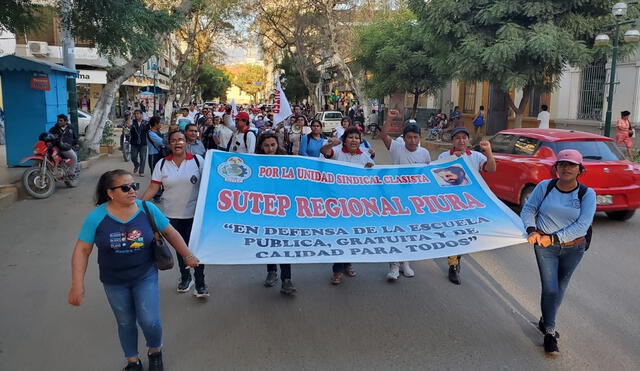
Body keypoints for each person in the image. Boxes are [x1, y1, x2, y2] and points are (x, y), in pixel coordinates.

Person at [69, 169, 200, 371]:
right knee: (125, 322)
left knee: (150, 321)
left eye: (134, 186)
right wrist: (77, 285)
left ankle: (155, 351)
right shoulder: (96, 217)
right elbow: (82, 250)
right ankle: (133, 361)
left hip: (144, 275)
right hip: (113, 280)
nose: (132, 191)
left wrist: (187, 255)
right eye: (125, 187)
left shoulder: (146, 209)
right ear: (110, 193)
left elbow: (170, 233)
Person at [520, 149, 596, 354]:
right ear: (556, 168)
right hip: (545, 247)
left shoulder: (587, 194)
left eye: (571, 165)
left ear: (580, 169)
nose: (566, 168)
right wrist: (531, 229)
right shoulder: (545, 186)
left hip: (574, 247)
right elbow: (528, 209)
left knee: (561, 287)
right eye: (562, 164)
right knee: (550, 288)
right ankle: (550, 333)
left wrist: (554, 237)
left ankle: (546, 319)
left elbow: (583, 225)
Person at [141, 130, 208, 298]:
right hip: (171, 215)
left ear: (186, 142)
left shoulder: (199, 161)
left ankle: (200, 283)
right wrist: (139, 206)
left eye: (181, 140)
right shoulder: (162, 164)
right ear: (169, 144)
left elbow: (210, 183)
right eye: (173, 140)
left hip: (195, 214)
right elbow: (153, 188)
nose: (177, 143)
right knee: (180, 249)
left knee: (195, 249)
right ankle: (185, 278)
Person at [437, 126, 496, 285]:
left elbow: (491, 169)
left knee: (464, 233)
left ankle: (456, 260)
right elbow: (434, 175)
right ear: (452, 141)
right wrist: (452, 160)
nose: (461, 141)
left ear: (468, 140)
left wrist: (489, 152)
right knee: (453, 232)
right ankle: (453, 266)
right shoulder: (444, 155)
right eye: (457, 138)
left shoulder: (476, 156)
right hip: (449, 202)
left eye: (464, 137)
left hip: (470, 202)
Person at [320, 127, 374, 284]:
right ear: (345, 139)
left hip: (355, 204)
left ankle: (348, 263)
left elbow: (371, 177)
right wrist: (331, 144)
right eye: (351, 137)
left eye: (357, 138)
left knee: (350, 236)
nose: (354, 140)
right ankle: (337, 270)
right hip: (336, 203)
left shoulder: (364, 157)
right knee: (340, 236)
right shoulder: (336, 152)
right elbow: (324, 151)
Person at [380, 123, 430, 280]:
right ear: (404, 138)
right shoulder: (397, 148)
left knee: (409, 232)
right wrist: (389, 120)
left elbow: (427, 175)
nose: (412, 140)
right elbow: (383, 136)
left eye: (416, 137)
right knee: (395, 231)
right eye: (409, 137)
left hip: (414, 201)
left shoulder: (424, 153)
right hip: (395, 199)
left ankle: (406, 263)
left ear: (419, 138)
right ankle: (394, 267)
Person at [254, 132, 297, 295]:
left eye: (273, 145)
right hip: (265, 209)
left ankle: (287, 279)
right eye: (266, 145)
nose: (270, 148)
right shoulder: (255, 162)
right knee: (269, 241)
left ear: (278, 145)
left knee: (284, 244)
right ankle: (271, 271)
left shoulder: (287, 161)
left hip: (283, 209)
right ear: (261, 147)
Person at [48, 114, 79, 178]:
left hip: (66, 148)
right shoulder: (53, 129)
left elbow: (75, 137)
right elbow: (49, 136)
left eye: (61, 120)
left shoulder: (71, 128)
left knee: (74, 157)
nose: (58, 122)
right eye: (58, 120)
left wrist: (76, 143)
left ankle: (71, 173)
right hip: (56, 147)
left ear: (66, 121)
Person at [129, 110, 148, 177]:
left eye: (138, 113)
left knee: (143, 158)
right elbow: (128, 127)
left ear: (141, 115)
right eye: (135, 114)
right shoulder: (132, 122)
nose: (136, 115)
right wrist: (129, 119)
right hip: (134, 143)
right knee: (133, 157)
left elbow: (149, 131)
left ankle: (141, 171)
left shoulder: (146, 123)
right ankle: (136, 165)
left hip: (143, 143)